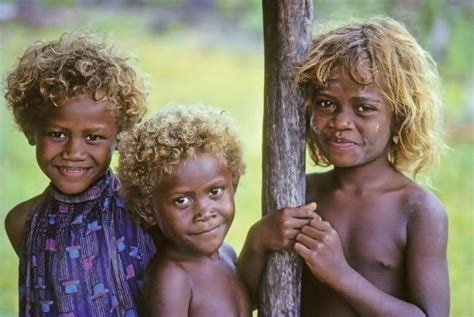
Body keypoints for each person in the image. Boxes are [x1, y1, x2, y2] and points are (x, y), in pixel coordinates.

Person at [237, 16, 449, 316]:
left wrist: (340, 274)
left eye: (364, 108)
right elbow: (242, 302)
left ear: (399, 116)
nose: (341, 122)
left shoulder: (417, 210)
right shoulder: (300, 193)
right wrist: (257, 241)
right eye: (326, 103)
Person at [4, 33, 156, 316]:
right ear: (30, 130)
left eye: (94, 137)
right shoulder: (21, 223)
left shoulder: (146, 212)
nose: (74, 151)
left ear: (120, 136)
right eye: (57, 134)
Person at [118, 105, 251, 316]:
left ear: (232, 184)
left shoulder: (227, 254)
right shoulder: (172, 278)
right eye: (182, 200)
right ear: (148, 209)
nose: (204, 212)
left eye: (214, 191)